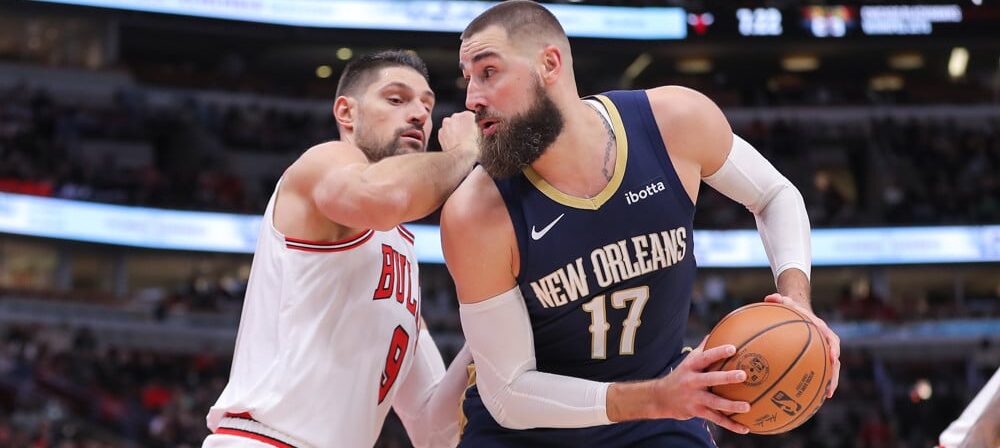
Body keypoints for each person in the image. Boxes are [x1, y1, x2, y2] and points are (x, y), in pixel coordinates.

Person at [440, 2, 841, 446]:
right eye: (468, 78)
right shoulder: (476, 214)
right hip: (527, 430)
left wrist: (796, 300)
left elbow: (775, 195)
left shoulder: (672, 124)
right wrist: (655, 397)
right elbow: (510, 393)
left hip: (658, 417)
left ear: (549, 64)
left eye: (489, 72)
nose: (472, 98)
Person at [204, 50, 478, 448]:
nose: (419, 114)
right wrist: (466, 152)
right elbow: (384, 198)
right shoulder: (326, 162)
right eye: (397, 99)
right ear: (346, 113)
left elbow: (431, 425)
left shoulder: (401, 250)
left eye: (427, 104)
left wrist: (496, 319)